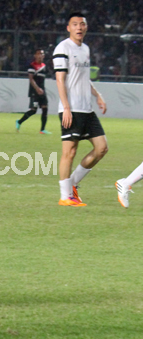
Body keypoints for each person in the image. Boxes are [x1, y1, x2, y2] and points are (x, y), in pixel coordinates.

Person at [53, 12, 108, 207]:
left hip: (87, 109)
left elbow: (84, 78)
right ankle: (65, 196)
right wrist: (66, 107)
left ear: (86, 27)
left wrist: (97, 95)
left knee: (102, 148)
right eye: (75, 24)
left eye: (82, 24)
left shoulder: (85, 49)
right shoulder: (63, 48)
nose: (79, 27)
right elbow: (60, 79)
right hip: (71, 108)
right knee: (69, 152)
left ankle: (73, 184)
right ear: (68, 28)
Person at [15, 48, 51, 134]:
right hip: (34, 91)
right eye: (39, 54)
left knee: (45, 109)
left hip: (42, 91)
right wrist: (37, 89)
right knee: (33, 110)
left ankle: (42, 130)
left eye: (42, 54)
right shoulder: (32, 66)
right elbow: (31, 79)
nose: (40, 55)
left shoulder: (44, 66)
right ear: (35, 55)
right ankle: (19, 122)